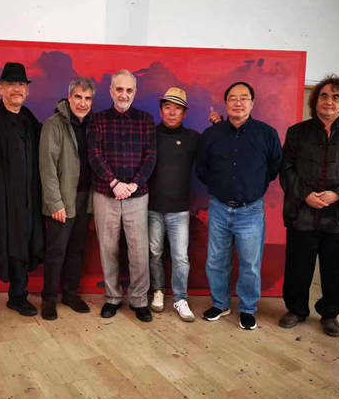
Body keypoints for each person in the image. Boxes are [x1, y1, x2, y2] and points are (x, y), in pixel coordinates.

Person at [279, 75, 339, 337]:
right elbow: (286, 168)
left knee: (336, 270)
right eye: (324, 95)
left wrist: (337, 195)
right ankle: (296, 310)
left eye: (335, 97)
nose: (329, 101)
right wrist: (306, 195)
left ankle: (330, 313)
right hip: (302, 213)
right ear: (315, 100)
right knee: (297, 266)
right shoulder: (297, 132)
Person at [196, 81, 282, 330]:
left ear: (252, 103)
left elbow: (274, 167)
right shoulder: (212, 134)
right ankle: (220, 304)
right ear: (226, 103)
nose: (238, 102)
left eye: (244, 97)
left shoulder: (266, 134)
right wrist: (219, 186)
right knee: (216, 261)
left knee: (250, 264)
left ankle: (247, 308)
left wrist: (253, 185)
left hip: (250, 210)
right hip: (219, 207)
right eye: (233, 98)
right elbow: (201, 167)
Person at [0, 62, 44, 329]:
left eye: (21, 85)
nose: (17, 89)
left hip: (25, 202)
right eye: (11, 84)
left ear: (27, 90)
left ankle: (18, 296)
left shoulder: (30, 121)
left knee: (21, 249)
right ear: (0, 88)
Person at [88, 69, 156, 322]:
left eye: (129, 90)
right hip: (106, 194)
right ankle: (112, 297)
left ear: (135, 92)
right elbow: (94, 154)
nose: (124, 94)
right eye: (119, 89)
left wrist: (134, 184)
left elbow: (151, 156)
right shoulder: (98, 119)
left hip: (137, 195)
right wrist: (114, 183)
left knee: (139, 251)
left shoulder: (145, 120)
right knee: (108, 248)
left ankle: (139, 300)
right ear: (111, 91)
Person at [39, 77, 95, 320]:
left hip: (85, 198)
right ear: (69, 97)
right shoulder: (53, 125)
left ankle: (70, 294)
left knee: (77, 249)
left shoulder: (93, 125)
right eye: (78, 97)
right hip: (62, 200)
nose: (83, 103)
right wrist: (55, 203)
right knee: (56, 251)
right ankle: (49, 297)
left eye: (87, 98)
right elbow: (47, 167)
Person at [148, 87, 200, 322]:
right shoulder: (150, 134)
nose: (171, 112)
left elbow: (213, 154)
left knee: (180, 257)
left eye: (177, 108)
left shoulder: (193, 138)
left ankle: (180, 298)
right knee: (155, 253)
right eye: (167, 107)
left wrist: (218, 124)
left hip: (179, 210)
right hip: (152, 207)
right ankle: (158, 291)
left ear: (184, 113)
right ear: (161, 111)